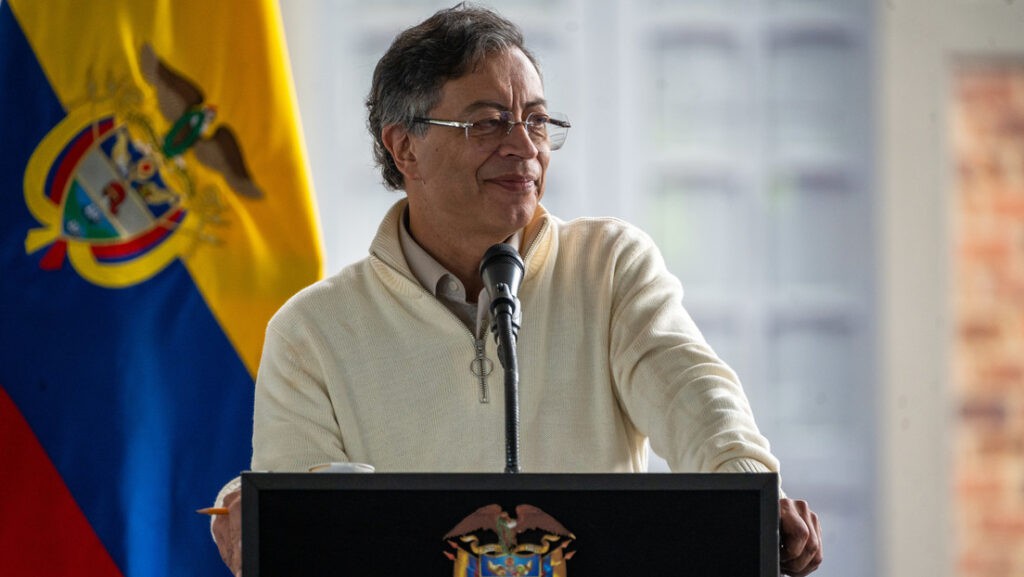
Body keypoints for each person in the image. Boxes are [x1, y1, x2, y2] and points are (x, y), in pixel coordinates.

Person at [211, 4, 822, 576]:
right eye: (488, 123)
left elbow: (699, 402)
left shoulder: (609, 267)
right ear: (404, 148)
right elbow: (300, 518)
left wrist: (752, 490)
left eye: (536, 120)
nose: (525, 147)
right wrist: (256, 513)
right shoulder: (313, 330)